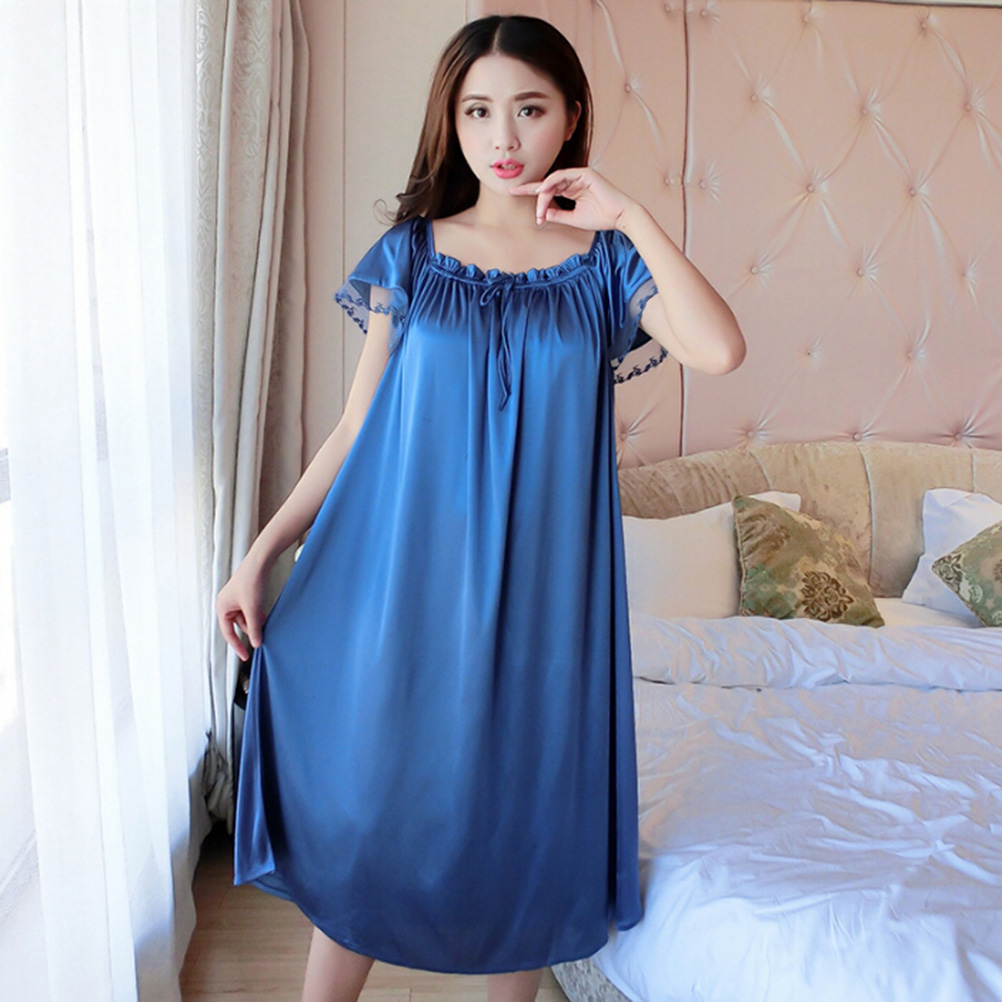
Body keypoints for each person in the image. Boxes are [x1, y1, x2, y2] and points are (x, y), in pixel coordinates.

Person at [216, 13, 744, 1002]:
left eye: (530, 110)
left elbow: (719, 350)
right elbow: (355, 429)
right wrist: (261, 555)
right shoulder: (412, 256)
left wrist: (630, 216)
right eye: (478, 112)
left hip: (547, 606)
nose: (503, 138)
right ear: (450, 121)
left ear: (572, 117)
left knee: (525, 828)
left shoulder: (605, 266)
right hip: (406, 586)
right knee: (375, 819)